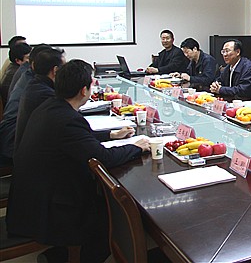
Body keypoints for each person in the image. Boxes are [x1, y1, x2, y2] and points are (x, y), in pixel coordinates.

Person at [6, 59, 150, 263]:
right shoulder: (67, 119)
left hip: (34, 195)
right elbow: (103, 158)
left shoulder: (51, 107)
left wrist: (111, 135)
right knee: (112, 220)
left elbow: (76, 139)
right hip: (49, 208)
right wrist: (137, 147)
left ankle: (63, 253)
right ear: (84, 90)